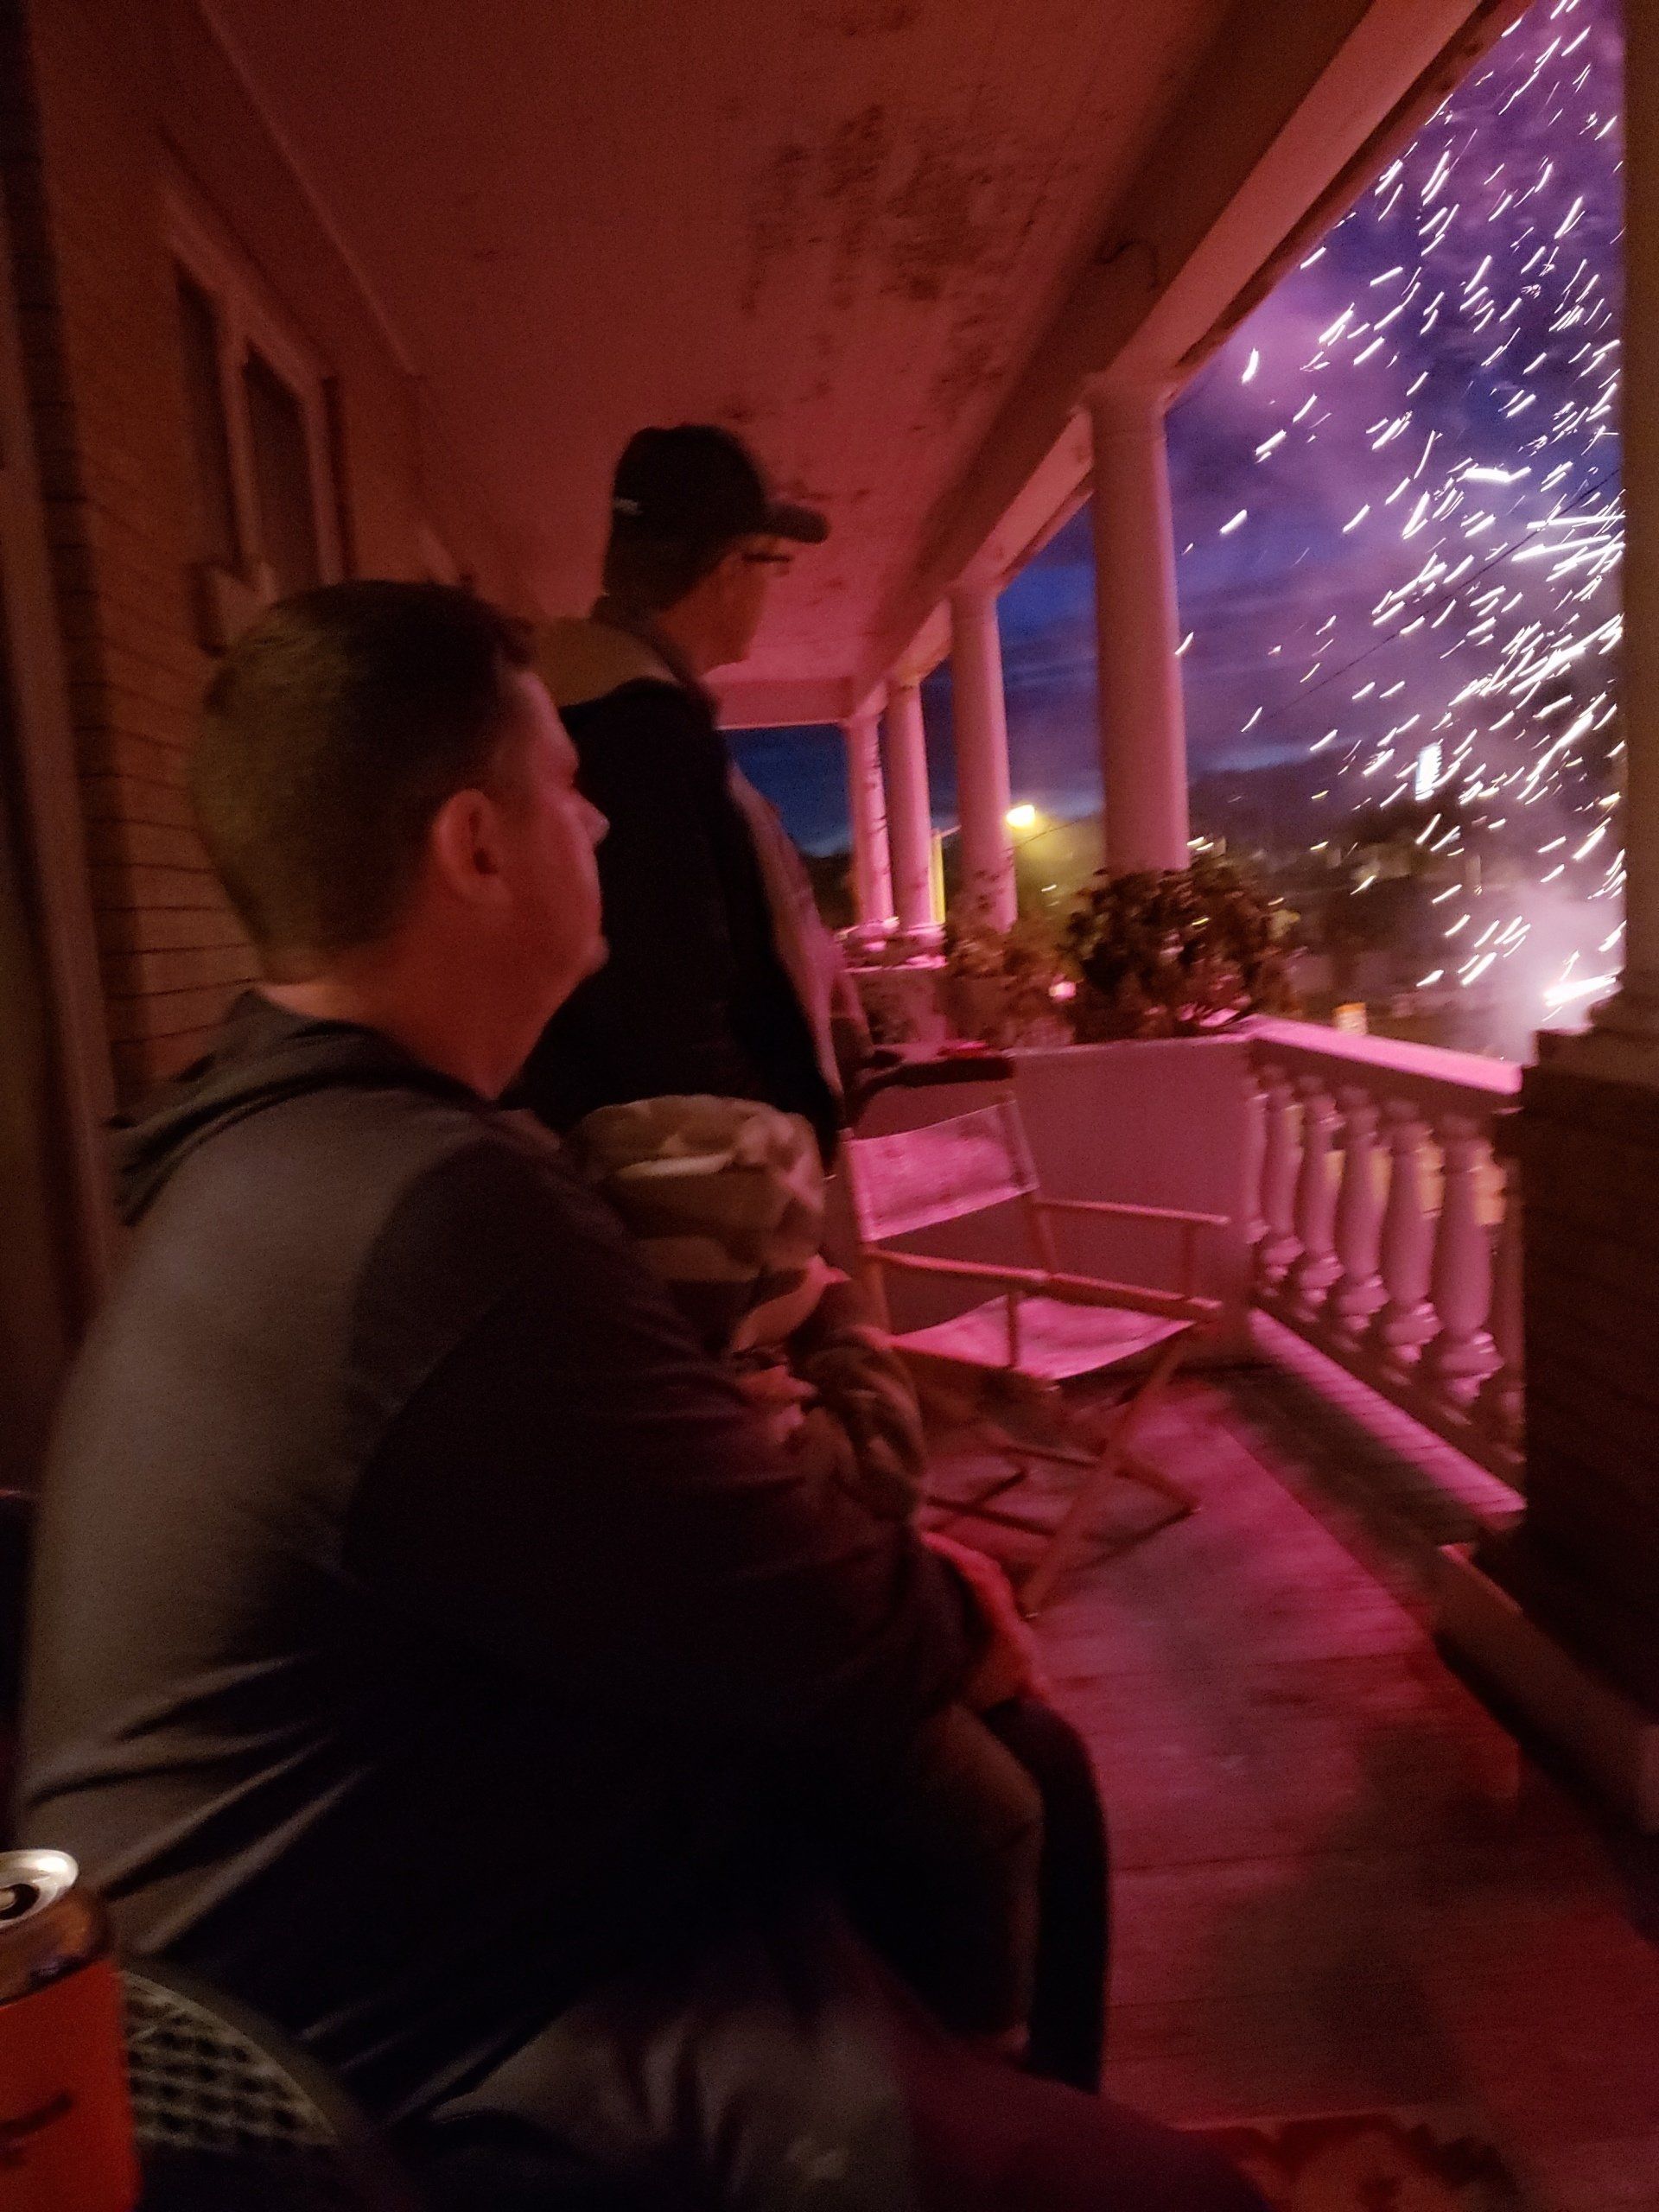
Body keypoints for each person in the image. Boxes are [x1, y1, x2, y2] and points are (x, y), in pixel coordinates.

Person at [17, 582, 1264, 2212]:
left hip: (382, 1918)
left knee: (996, 1785)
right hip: (364, 2076)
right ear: (474, 846)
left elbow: (677, 1551)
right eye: (558, 781)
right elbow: (832, 1631)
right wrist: (936, 1601)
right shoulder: (426, 1213)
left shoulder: (282, 1159)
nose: (596, 815)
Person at [517, 423, 860, 1164]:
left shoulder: (591, 709)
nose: (772, 589)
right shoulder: (639, 735)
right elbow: (669, 1011)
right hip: (706, 1198)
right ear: (733, 567)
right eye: (776, 565)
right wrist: (765, 1171)